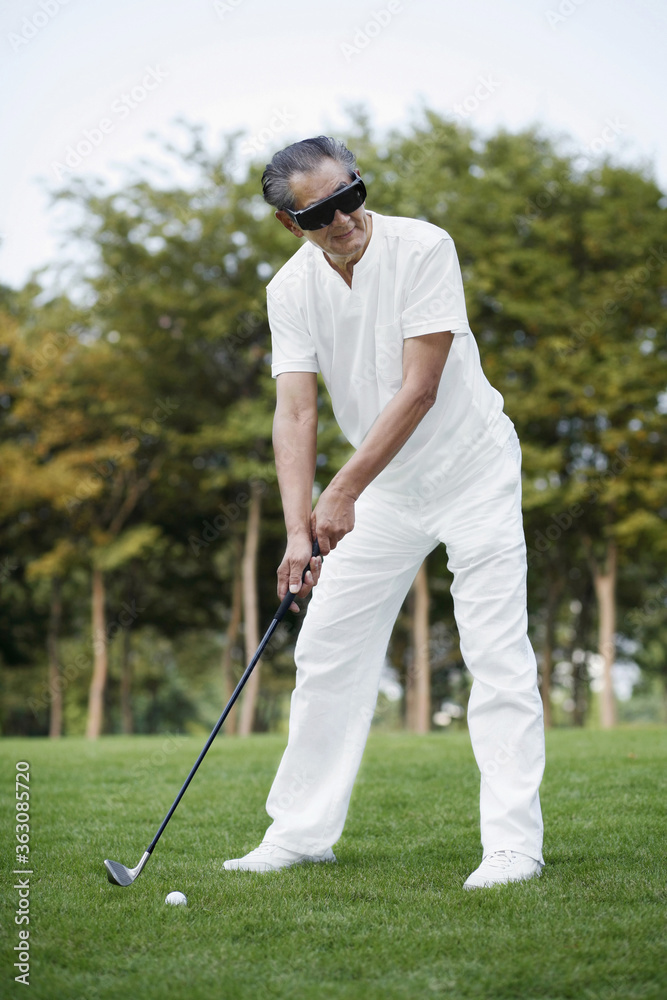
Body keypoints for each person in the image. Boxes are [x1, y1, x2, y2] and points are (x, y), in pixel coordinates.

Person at [224, 136, 545, 889]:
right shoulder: (288, 291)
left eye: (351, 195)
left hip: (471, 469)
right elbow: (295, 413)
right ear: (289, 224)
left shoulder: (424, 247)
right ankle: (301, 834)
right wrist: (299, 525)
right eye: (320, 211)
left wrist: (340, 494)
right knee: (327, 650)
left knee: (495, 654)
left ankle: (511, 845)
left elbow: (419, 389)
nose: (344, 219)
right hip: (386, 492)